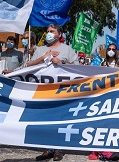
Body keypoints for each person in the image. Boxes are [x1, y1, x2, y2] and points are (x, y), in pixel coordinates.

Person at [32, 24, 78, 162]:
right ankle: (46, 149)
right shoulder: (40, 49)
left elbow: (77, 67)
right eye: (47, 31)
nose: (48, 33)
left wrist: (61, 62)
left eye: (51, 31)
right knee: (43, 120)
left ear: (59, 34)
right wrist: (44, 57)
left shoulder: (67, 49)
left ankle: (58, 149)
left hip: (61, 91)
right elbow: (29, 65)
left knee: (59, 119)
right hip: (43, 91)